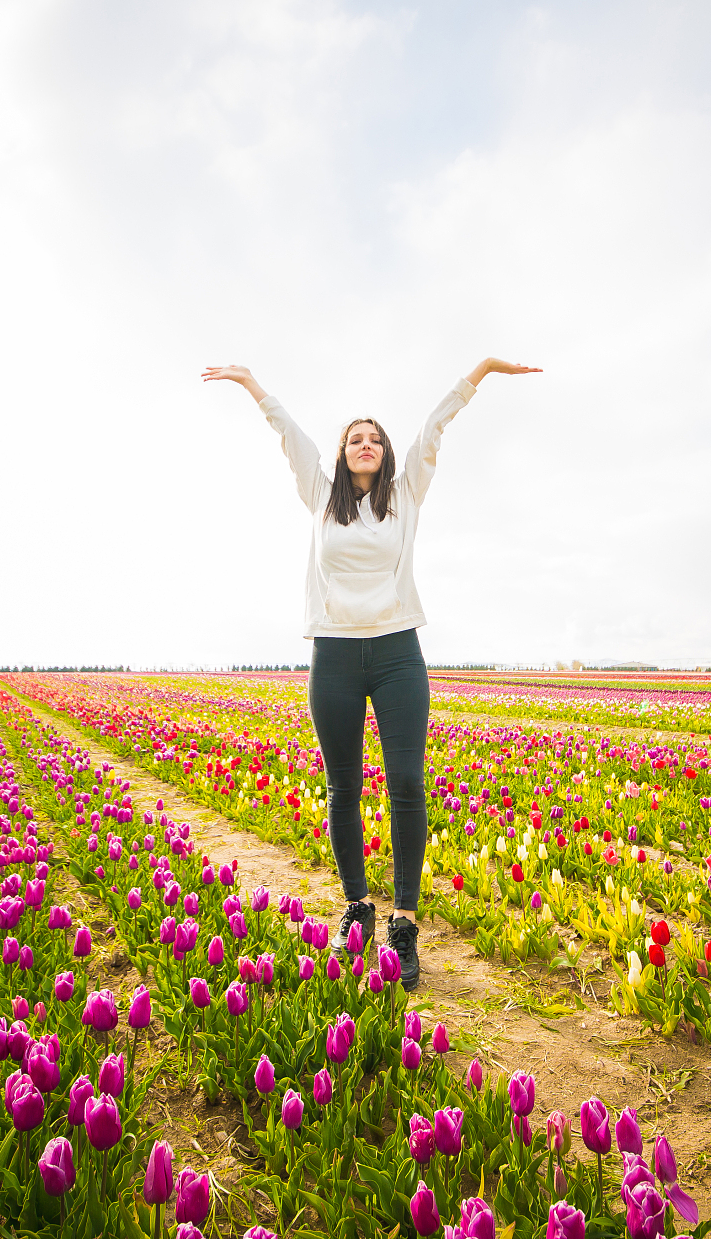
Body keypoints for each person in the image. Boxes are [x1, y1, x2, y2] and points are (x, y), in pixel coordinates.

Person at [202, 359, 541, 990]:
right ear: (342, 453)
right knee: (344, 787)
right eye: (356, 437)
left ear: (385, 454)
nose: (367, 444)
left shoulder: (406, 493)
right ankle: (358, 908)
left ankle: (404, 921)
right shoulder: (321, 495)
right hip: (333, 654)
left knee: (408, 783)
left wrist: (481, 372)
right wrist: (252, 384)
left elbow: (434, 429)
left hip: (395, 653)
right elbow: (288, 434)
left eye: (375, 438)